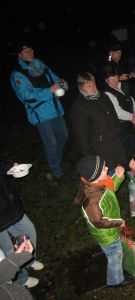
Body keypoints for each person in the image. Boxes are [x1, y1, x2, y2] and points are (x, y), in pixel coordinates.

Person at [10, 42, 68, 180]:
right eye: (26, 51)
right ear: (20, 55)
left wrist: (63, 84)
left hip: (55, 108)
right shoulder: (17, 74)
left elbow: (56, 79)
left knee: (63, 136)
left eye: (31, 50)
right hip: (40, 113)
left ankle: (55, 159)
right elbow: (26, 95)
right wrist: (49, 90)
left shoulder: (41, 65)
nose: (30, 53)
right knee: (51, 142)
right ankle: (56, 171)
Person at [75, 155, 132, 288]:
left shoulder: (97, 184)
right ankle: (115, 281)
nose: (107, 168)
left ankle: (116, 274)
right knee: (114, 257)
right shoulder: (92, 201)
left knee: (114, 254)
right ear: (94, 176)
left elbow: (110, 191)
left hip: (110, 230)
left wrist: (118, 177)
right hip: (107, 235)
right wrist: (118, 222)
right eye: (103, 168)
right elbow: (98, 222)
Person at [70, 72, 127, 172]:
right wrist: (88, 156)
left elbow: (113, 115)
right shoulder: (79, 105)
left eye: (93, 83)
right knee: (107, 174)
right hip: (99, 148)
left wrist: (117, 129)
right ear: (82, 87)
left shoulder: (103, 96)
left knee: (118, 172)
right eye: (88, 85)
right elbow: (80, 134)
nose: (92, 87)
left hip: (113, 141)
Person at [0, 159, 44, 288]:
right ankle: (21, 279)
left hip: (9, 205)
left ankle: (28, 260)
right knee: (8, 250)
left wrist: (9, 166)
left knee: (28, 231)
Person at [103, 66, 135, 159]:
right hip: (121, 129)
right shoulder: (108, 93)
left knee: (131, 148)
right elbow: (117, 112)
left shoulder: (122, 86)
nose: (115, 81)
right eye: (112, 79)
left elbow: (131, 99)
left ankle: (132, 168)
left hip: (130, 125)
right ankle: (125, 171)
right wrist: (132, 117)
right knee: (124, 152)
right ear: (106, 80)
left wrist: (134, 112)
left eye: (116, 78)